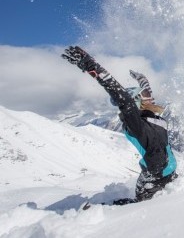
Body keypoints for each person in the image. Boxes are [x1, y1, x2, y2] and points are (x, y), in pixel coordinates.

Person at [62, 45, 177, 205]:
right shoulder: (139, 125)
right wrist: (91, 66)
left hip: (161, 177)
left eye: (146, 95)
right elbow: (124, 98)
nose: (148, 98)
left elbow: (147, 101)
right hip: (159, 178)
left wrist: (143, 82)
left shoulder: (149, 116)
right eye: (142, 96)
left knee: (146, 205)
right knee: (144, 205)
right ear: (135, 103)